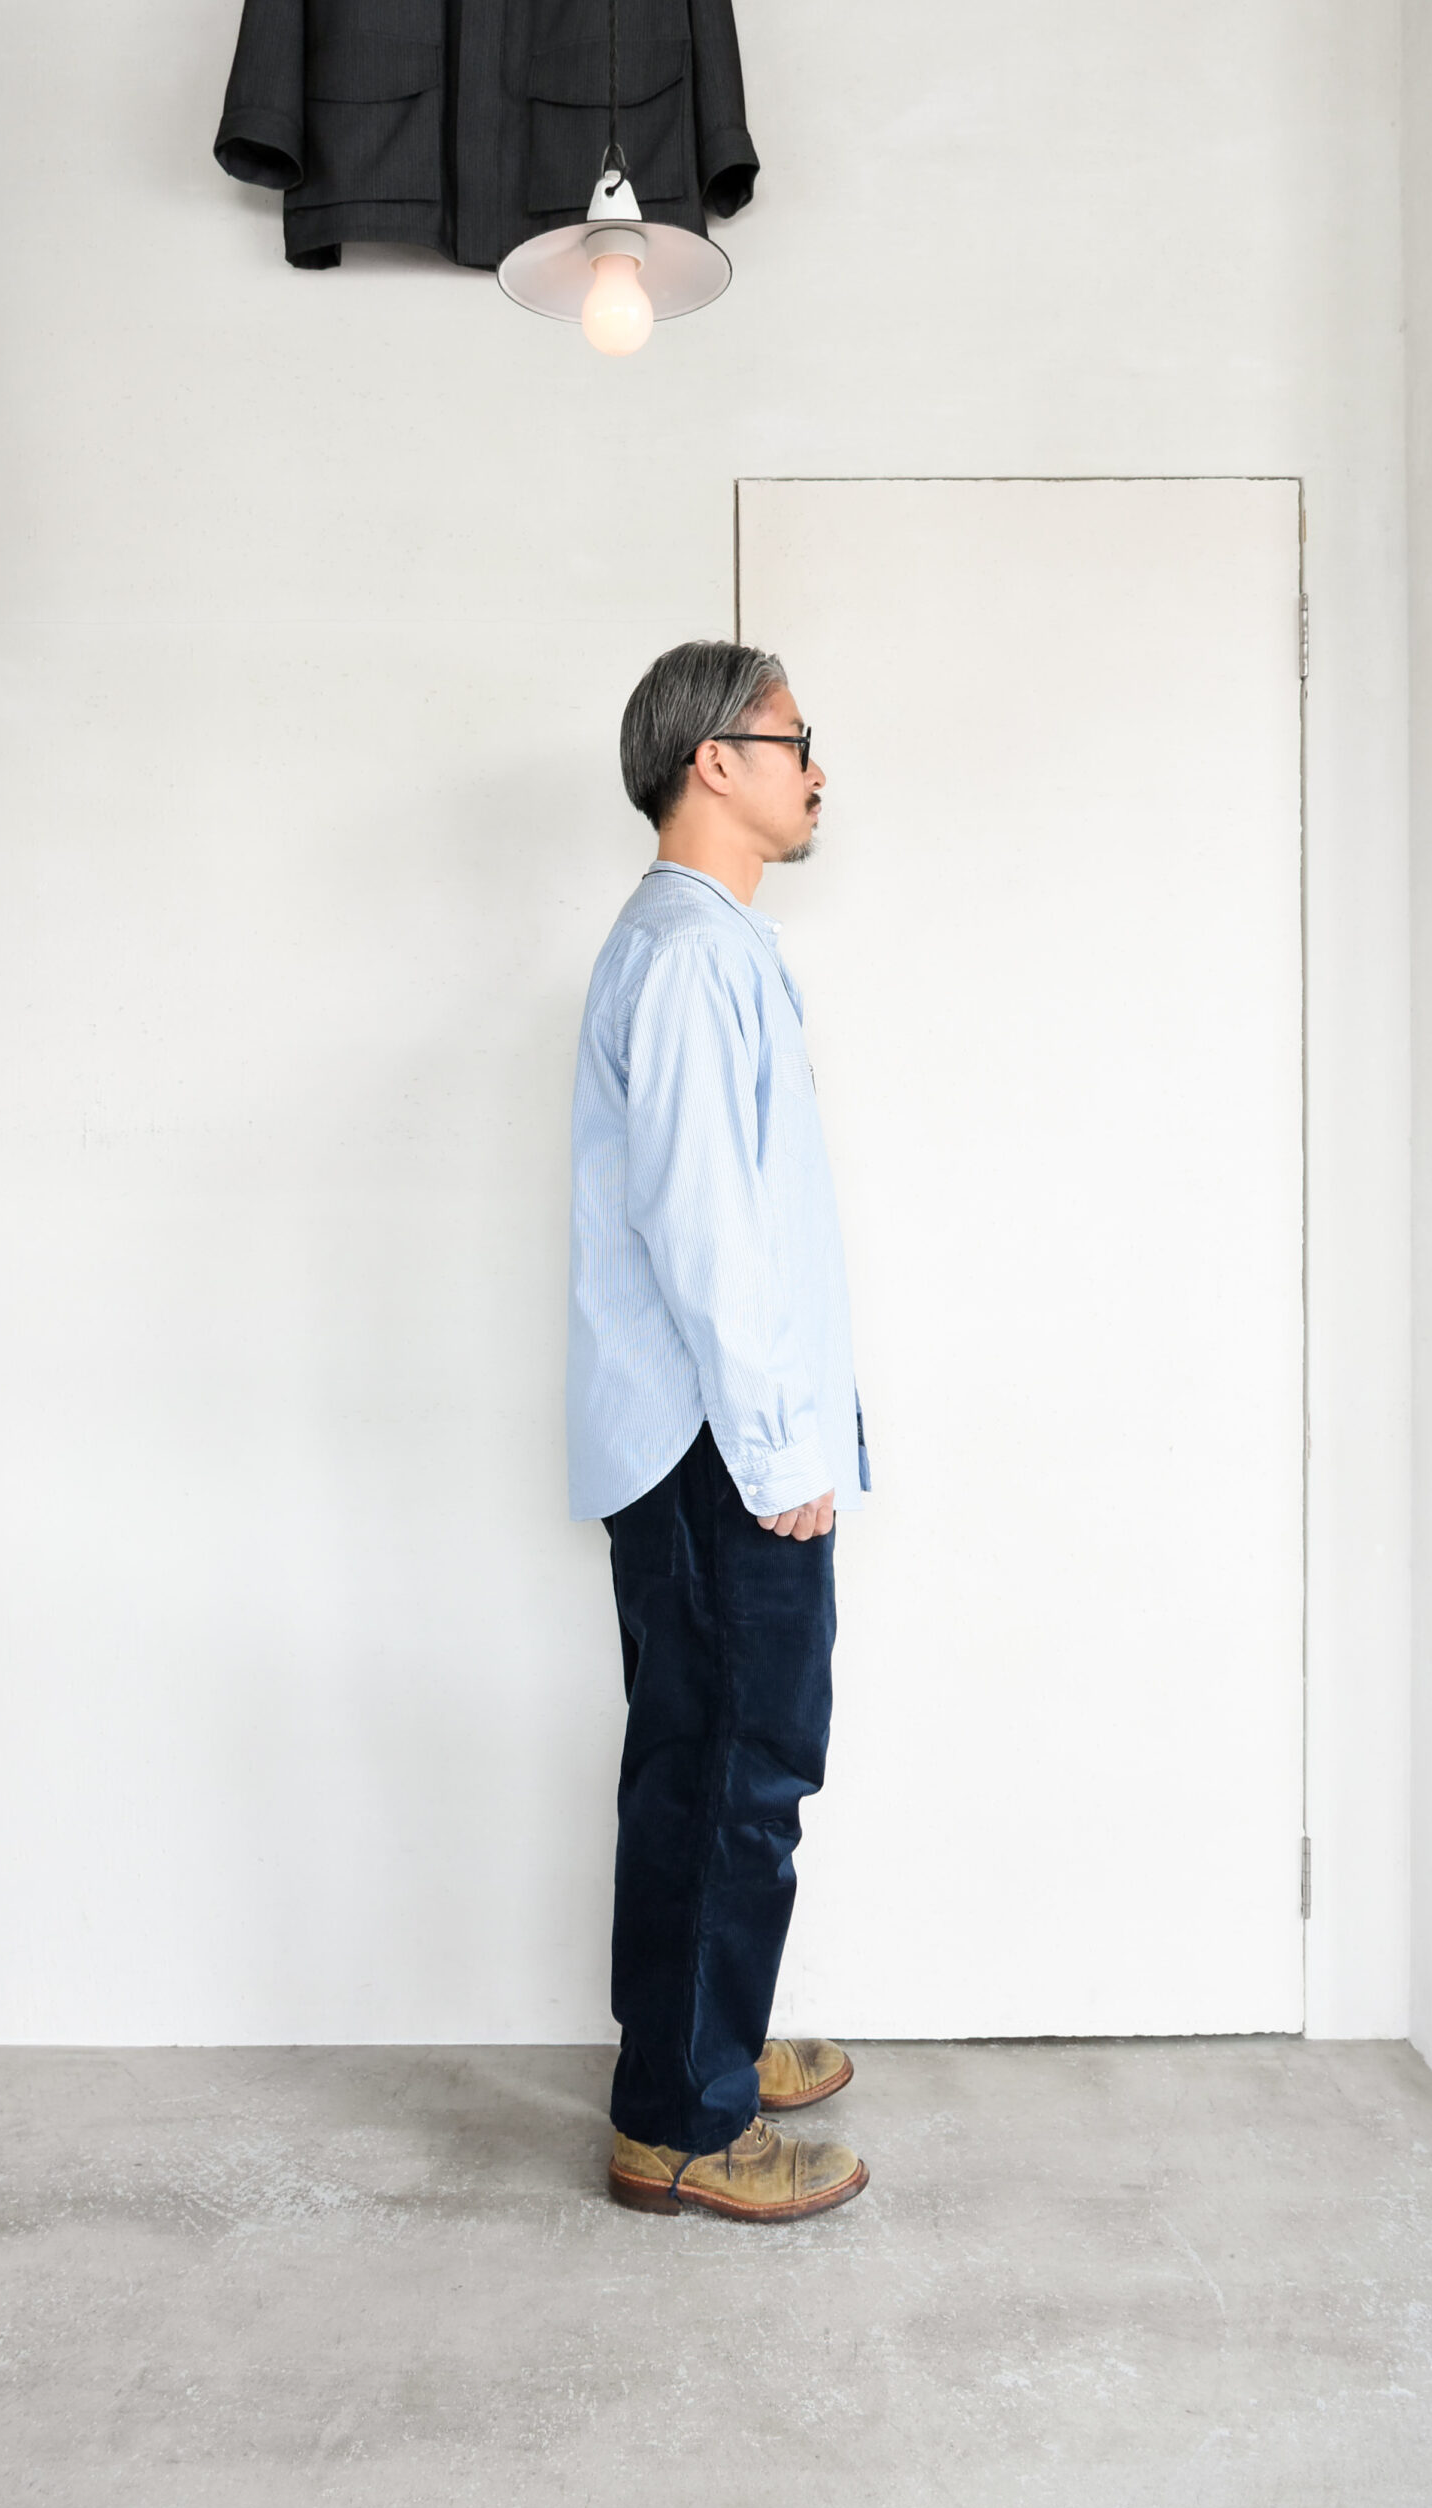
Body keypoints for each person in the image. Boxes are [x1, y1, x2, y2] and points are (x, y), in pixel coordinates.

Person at [567, 639, 872, 2222]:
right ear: (715, 761)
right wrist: (778, 1453)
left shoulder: (709, 944)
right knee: (735, 1770)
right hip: (714, 1448)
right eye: (794, 739)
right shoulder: (689, 957)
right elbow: (705, 1235)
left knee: (707, 1758)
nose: (817, 769)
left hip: (708, 1441)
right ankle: (684, 2119)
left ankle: (702, 2048)